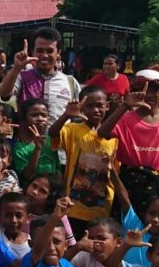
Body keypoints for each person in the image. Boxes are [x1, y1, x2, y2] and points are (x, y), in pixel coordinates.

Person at [100, 70, 159, 238]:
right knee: (129, 232)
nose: (148, 94)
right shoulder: (125, 119)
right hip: (132, 185)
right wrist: (124, 106)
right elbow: (103, 133)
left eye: (155, 90)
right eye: (143, 89)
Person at [49, 86, 119, 238]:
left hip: (103, 208)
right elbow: (53, 133)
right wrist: (66, 115)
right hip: (73, 208)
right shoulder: (72, 129)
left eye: (100, 105)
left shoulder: (114, 135)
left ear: (107, 105)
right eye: (89, 106)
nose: (95, 110)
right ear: (81, 107)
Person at [0, 28, 79, 121]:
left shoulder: (70, 83)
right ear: (32, 52)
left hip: (60, 136)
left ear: (58, 53)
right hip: (27, 135)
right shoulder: (22, 77)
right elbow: (4, 94)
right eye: (40, 51)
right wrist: (16, 67)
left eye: (49, 51)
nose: (44, 55)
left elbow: (76, 116)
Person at [12, 98, 58, 186]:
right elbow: (27, 176)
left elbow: (57, 170)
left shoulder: (50, 141)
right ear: (24, 119)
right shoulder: (19, 147)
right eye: (34, 115)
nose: (40, 119)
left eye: (44, 115)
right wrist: (37, 149)